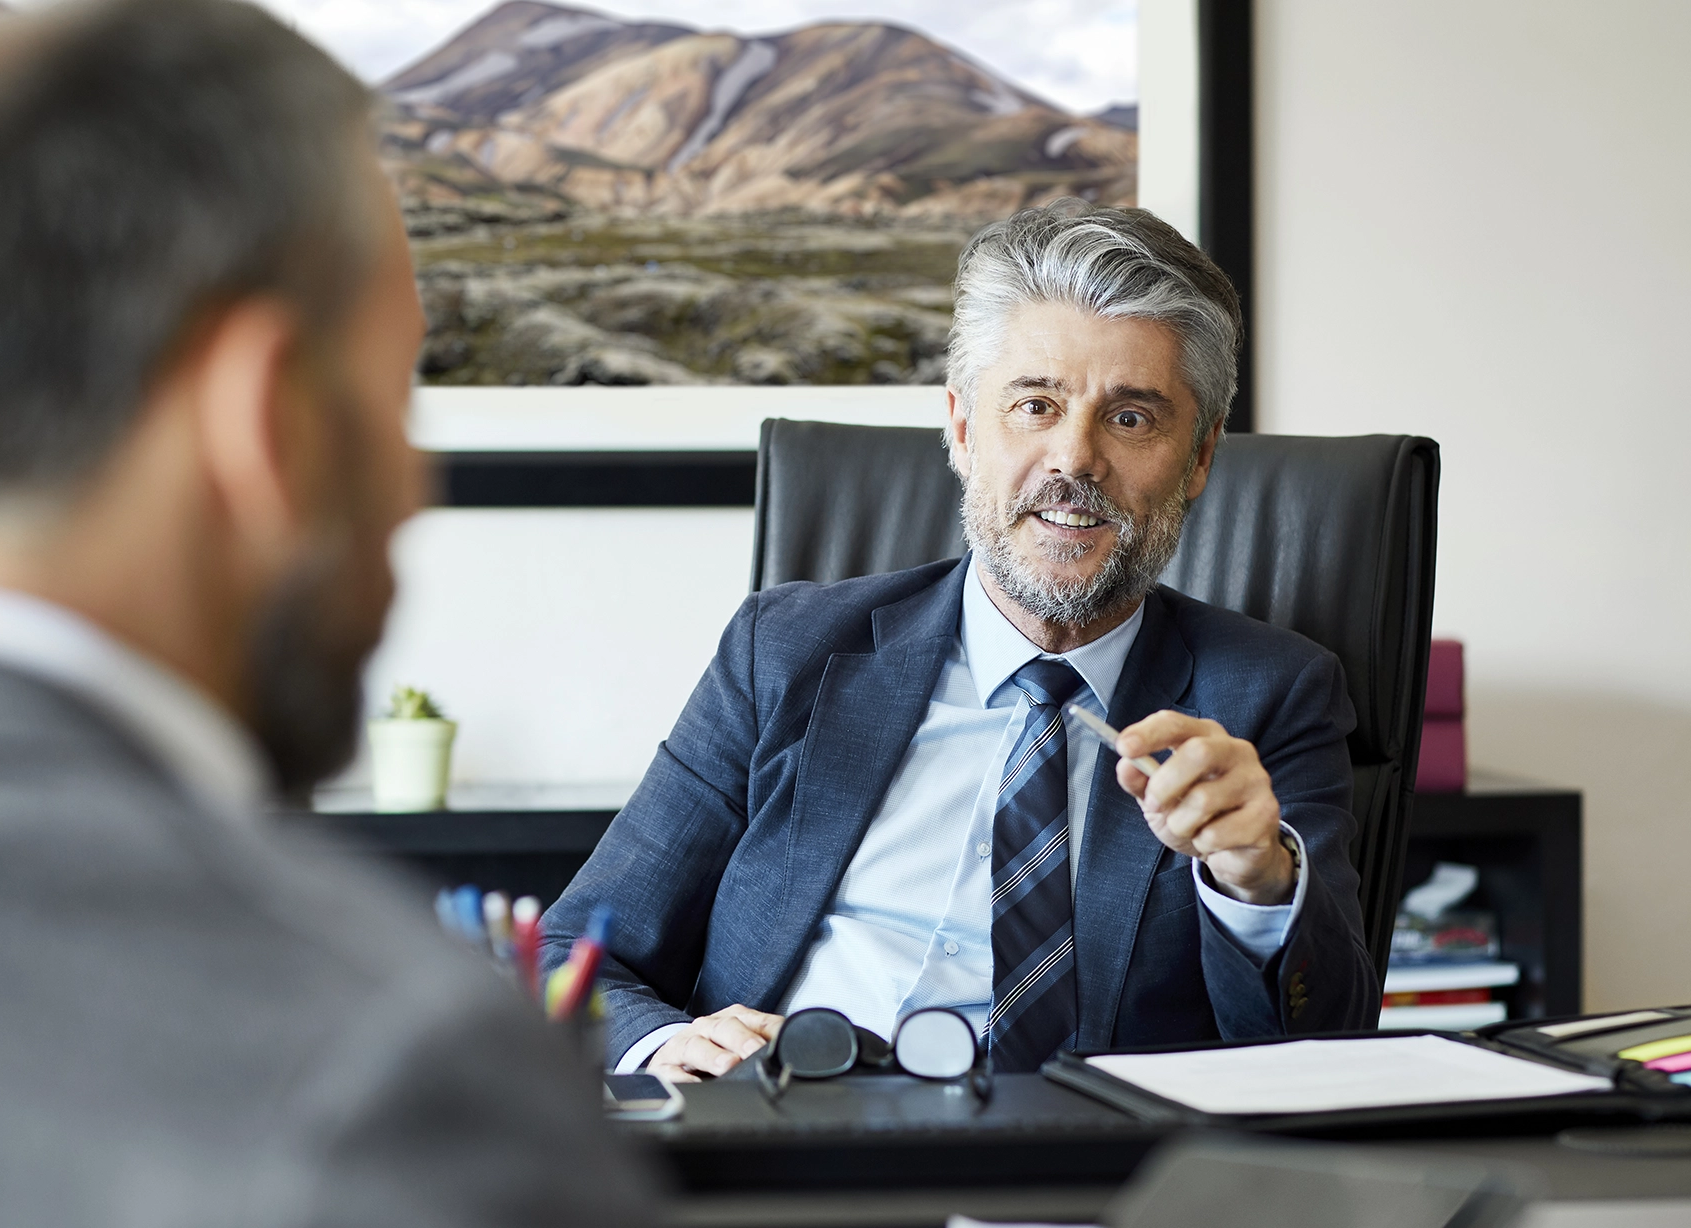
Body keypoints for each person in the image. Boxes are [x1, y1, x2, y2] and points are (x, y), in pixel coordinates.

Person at [0, 3, 1279, 1228]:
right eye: (393, 401)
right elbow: (592, 946)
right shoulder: (386, 1073)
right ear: (261, 421)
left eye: (1129, 418)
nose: (412, 492)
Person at [544, 202, 1378, 1082]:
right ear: (963, 426)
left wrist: (1257, 877)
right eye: (1035, 404)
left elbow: (1323, 1047)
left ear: (1201, 456)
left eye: (1130, 418)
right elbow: (574, 954)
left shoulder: (1270, 696)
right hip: (794, 1148)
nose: (1074, 459)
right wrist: (663, 1044)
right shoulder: (784, 652)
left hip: (1086, 1188)